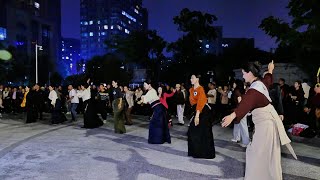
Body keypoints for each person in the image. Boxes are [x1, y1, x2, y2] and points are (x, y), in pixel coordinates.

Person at [222, 60, 297, 179]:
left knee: (255, 153)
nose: (242, 75)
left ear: (250, 73)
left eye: (243, 73)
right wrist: (270, 70)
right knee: (266, 154)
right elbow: (268, 80)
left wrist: (232, 116)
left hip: (266, 127)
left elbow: (245, 104)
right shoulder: (260, 84)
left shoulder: (254, 90)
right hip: (268, 125)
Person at [187, 74, 215, 159]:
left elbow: (201, 101)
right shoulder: (191, 90)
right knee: (192, 131)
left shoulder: (200, 89)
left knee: (204, 132)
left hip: (203, 111)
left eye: (192, 78)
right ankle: (196, 152)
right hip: (197, 110)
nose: (191, 79)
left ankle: (206, 153)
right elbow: (192, 103)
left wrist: (197, 115)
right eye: (190, 77)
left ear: (197, 79)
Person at [139, 80, 171, 144]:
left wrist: (141, 99)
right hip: (158, 109)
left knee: (154, 124)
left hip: (158, 108)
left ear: (149, 85)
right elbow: (145, 100)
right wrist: (142, 99)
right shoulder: (150, 91)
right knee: (158, 124)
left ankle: (157, 140)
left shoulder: (152, 91)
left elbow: (145, 100)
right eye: (144, 85)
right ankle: (159, 139)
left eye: (145, 85)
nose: (144, 86)